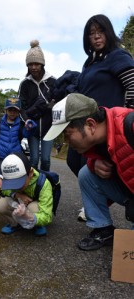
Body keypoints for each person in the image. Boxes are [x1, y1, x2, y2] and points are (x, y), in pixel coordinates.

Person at [55, 14, 134, 221]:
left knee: (111, 167)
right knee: (76, 160)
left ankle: (116, 203)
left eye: (101, 31)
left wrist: (127, 119)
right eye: (91, 33)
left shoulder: (118, 56)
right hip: (84, 124)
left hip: (111, 126)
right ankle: (99, 200)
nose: (96, 37)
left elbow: (133, 86)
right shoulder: (89, 63)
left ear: (109, 33)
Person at [44, 93, 134, 251]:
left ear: (91, 125)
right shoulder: (97, 139)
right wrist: (93, 163)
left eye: (67, 134)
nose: (67, 143)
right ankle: (103, 229)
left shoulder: (130, 125)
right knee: (86, 173)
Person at [18, 39, 57, 171]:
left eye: (37, 64)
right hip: (32, 129)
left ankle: (47, 186)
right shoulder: (25, 84)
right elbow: (20, 107)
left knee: (45, 160)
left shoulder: (52, 82)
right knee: (33, 160)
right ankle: (34, 188)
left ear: (42, 64)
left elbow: (58, 103)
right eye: (30, 64)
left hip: (49, 128)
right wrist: (26, 119)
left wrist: (51, 106)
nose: (34, 67)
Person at [0, 152, 53, 236]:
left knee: (33, 208)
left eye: (19, 182)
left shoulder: (44, 184)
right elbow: (3, 189)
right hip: (18, 201)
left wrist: (29, 216)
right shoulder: (10, 176)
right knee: (0, 205)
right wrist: (16, 195)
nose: (15, 186)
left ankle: (38, 225)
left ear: (30, 173)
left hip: (34, 205)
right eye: (10, 183)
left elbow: (47, 216)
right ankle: (14, 223)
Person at [0, 97, 36, 162]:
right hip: (0, 156)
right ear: (5, 111)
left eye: (15, 110)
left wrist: (31, 127)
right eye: (10, 110)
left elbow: (27, 135)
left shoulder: (21, 124)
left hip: (16, 157)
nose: (12, 113)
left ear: (19, 112)